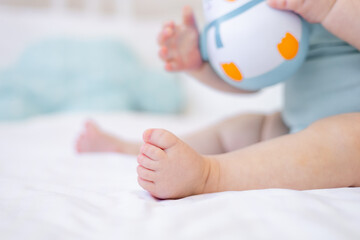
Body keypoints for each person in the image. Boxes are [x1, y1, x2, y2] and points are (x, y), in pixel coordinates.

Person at [76, 0, 360, 199]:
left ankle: (210, 175)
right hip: (297, 124)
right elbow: (253, 80)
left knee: (350, 140)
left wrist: (332, 7)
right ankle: (132, 149)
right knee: (244, 128)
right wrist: (201, 65)